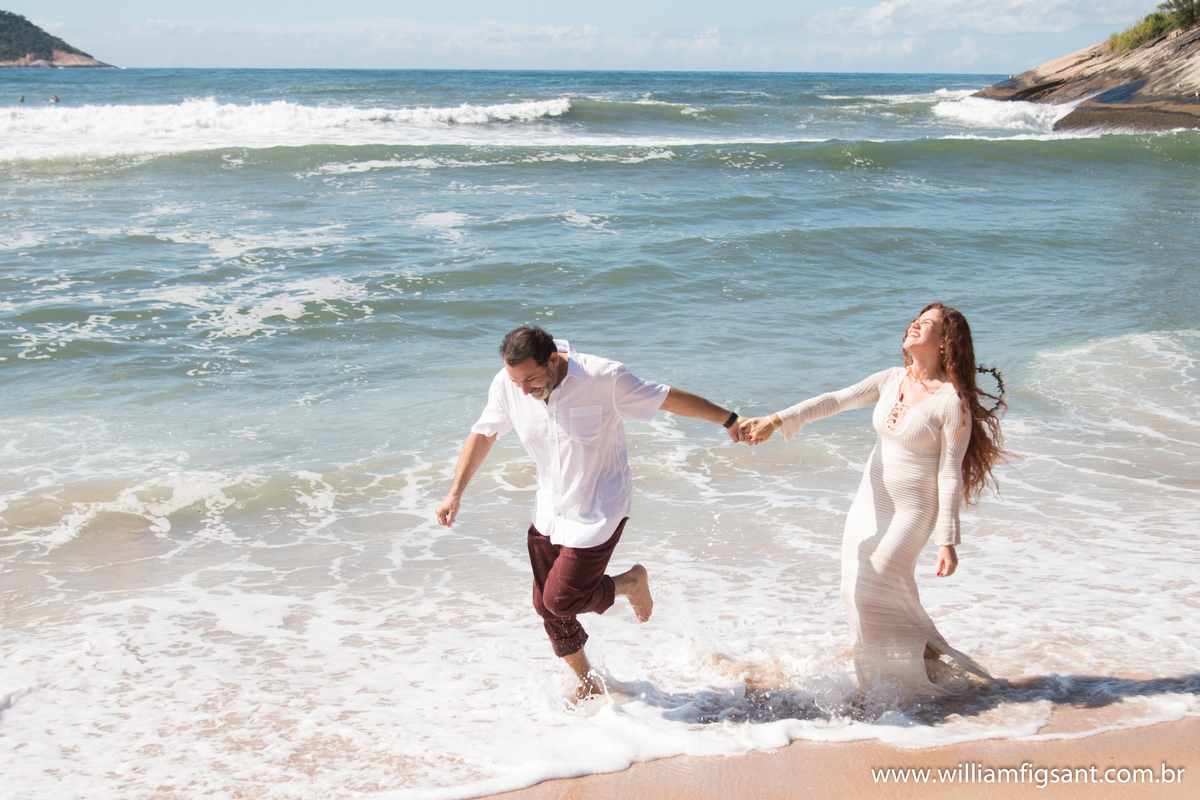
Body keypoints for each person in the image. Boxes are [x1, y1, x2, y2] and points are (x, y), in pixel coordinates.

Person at [435, 325, 744, 700]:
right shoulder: (509, 383)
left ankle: (630, 582)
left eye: (530, 380)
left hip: (600, 509)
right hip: (550, 508)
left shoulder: (604, 378)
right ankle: (587, 683)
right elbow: (484, 433)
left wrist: (729, 420)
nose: (522, 391)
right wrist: (455, 492)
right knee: (545, 606)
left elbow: (666, 399)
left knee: (560, 599)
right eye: (516, 381)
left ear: (553, 360)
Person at [740, 302, 1005, 698]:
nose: (915, 324)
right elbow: (835, 400)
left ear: (947, 342)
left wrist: (947, 539)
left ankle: (904, 684)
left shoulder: (953, 402)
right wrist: (776, 420)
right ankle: (918, 664)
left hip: (913, 510)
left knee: (874, 587)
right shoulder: (891, 379)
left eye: (928, 323)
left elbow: (950, 473)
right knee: (854, 590)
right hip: (871, 501)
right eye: (916, 318)